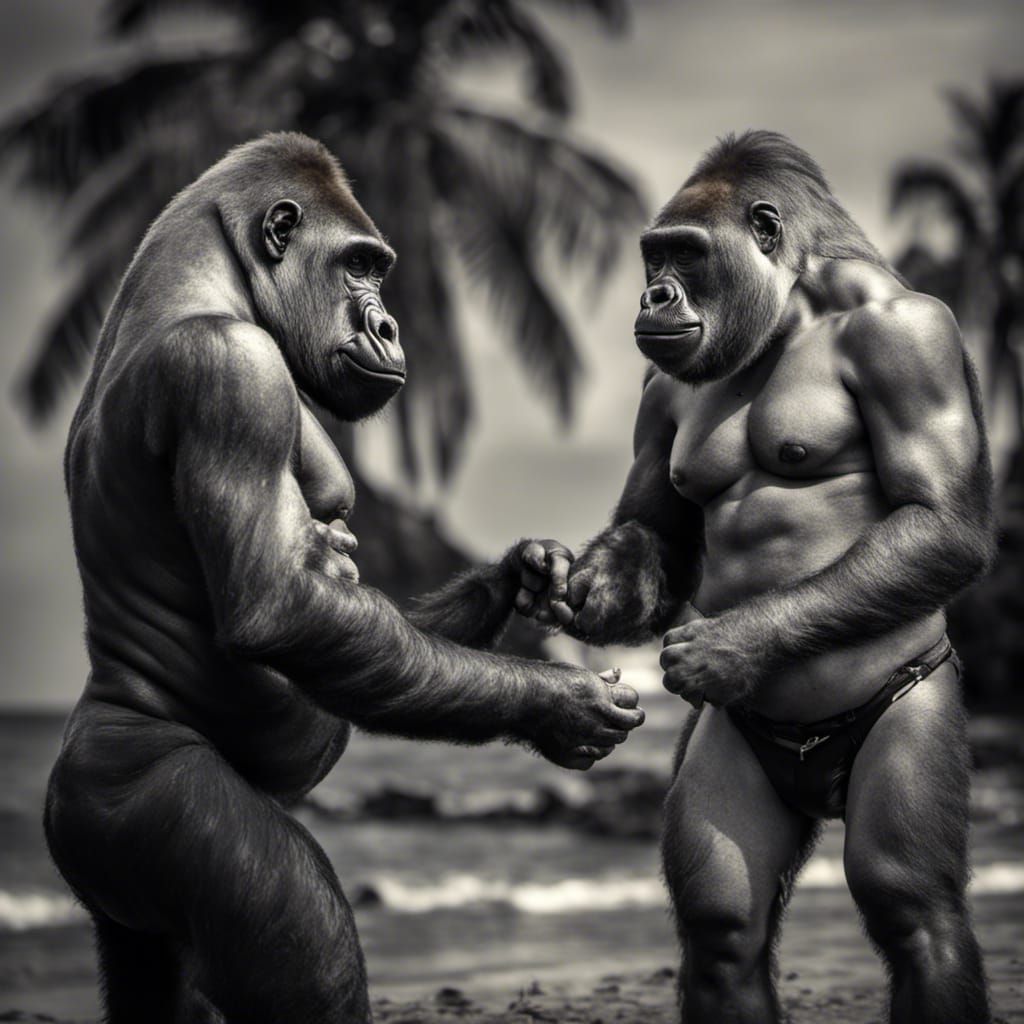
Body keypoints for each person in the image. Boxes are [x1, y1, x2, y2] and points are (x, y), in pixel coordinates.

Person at [515, 130, 996, 1024]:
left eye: (686, 262)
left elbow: (952, 533)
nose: (659, 291)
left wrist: (762, 632)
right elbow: (652, 556)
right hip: (743, 717)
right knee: (717, 935)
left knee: (913, 917)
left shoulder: (893, 331)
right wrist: (579, 589)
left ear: (767, 233)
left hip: (891, 694)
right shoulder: (673, 393)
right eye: (654, 264)